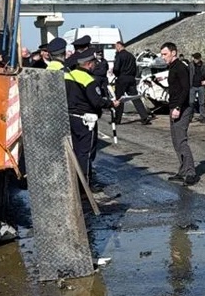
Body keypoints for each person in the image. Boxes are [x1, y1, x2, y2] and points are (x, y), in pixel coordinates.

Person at [65, 47, 119, 193]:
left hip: (70, 118)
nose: (95, 65)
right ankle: (85, 186)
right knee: (86, 153)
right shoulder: (89, 80)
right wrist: (111, 104)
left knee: (76, 151)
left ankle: (75, 182)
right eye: (94, 63)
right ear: (89, 64)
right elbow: (97, 101)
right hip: (85, 120)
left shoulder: (68, 75)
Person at [160, 41, 198, 186]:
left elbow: (185, 89)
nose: (163, 57)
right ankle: (182, 170)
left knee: (181, 140)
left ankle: (190, 173)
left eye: (165, 54)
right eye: (162, 54)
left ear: (173, 53)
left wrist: (177, 107)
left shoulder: (180, 67)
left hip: (182, 108)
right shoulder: (172, 67)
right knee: (176, 141)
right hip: (174, 107)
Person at [112, 40, 152, 125]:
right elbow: (136, 68)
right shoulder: (131, 56)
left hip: (122, 78)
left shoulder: (119, 56)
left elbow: (116, 68)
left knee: (119, 99)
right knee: (135, 98)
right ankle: (144, 117)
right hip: (131, 78)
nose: (115, 49)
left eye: (115, 47)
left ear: (119, 46)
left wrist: (117, 74)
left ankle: (117, 119)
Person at [190, 52, 205, 122]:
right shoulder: (190, 65)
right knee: (191, 102)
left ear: (199, 59)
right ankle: (190, 116)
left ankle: (202, 117)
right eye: (194, 58)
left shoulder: (204, 65)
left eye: (196, 58)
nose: (195, 60)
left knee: (201, 103)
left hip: (201, 86)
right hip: (192, 86)